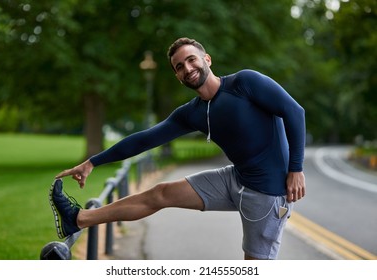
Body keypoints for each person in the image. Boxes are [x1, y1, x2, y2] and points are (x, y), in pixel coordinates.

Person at [50, 37, 306, 260]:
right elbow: (143, 140)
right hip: (236, 179)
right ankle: (78, 219)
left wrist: (296, 169)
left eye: (192, 60)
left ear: (207, 59)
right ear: (177, 75)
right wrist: (93, 162)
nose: (188, 69)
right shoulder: (191, 113)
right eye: (180, 67)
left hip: (267, 194)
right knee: (161, 193)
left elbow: (294, 112)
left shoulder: (245, 83)